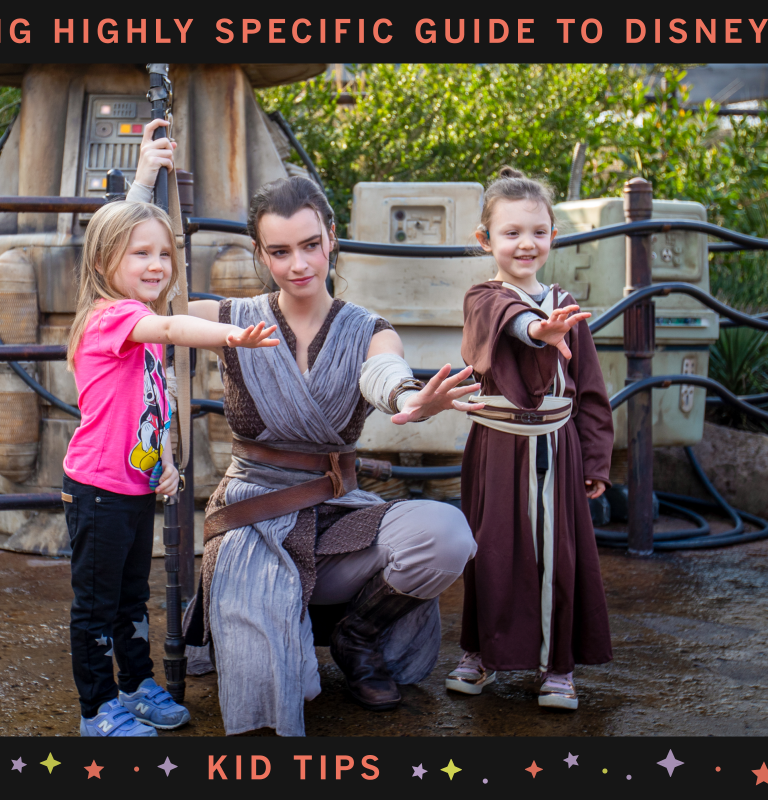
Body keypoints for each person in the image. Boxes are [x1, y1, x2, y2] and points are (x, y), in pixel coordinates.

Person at [132, 164, 482, 735]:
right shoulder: (226, 319)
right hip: (253, 518)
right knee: (266, 684)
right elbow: (124, 291)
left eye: (311, 245)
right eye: (280, 250)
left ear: (331, 238)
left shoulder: (368, 328)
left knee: (447, 535)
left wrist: (410, 396)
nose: (298, 264)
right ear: (261, 254)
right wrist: (144, 187)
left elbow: (384, 373)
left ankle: (359, 635)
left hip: (335, 515)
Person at [63, 119, 280, 737]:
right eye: (142, 255)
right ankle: (96, 707)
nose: (158, 264)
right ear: (107, 262)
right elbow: (173, 327)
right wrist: (231, 336)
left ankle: (134, 684)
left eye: (166, 253)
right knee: (96, 608)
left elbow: (151, 408)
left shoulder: (138, 315)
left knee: (132, 600)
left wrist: (165, 462)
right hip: (98, 492)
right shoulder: (114, 318)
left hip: (133, 486)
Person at [448, 166, 614, 710]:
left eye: (538, 232)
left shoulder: (567, 304)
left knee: (559, 556)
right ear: (485, 240)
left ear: (553, 237)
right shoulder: (483, 298)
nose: (526, 243)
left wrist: (595, 458)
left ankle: (558, 668)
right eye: (511, 232)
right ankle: (480, 652)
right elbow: (506, 320)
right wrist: (538, 331)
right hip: (497, 449)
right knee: (489, 552)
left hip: (558, 451)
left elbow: (589, 389)